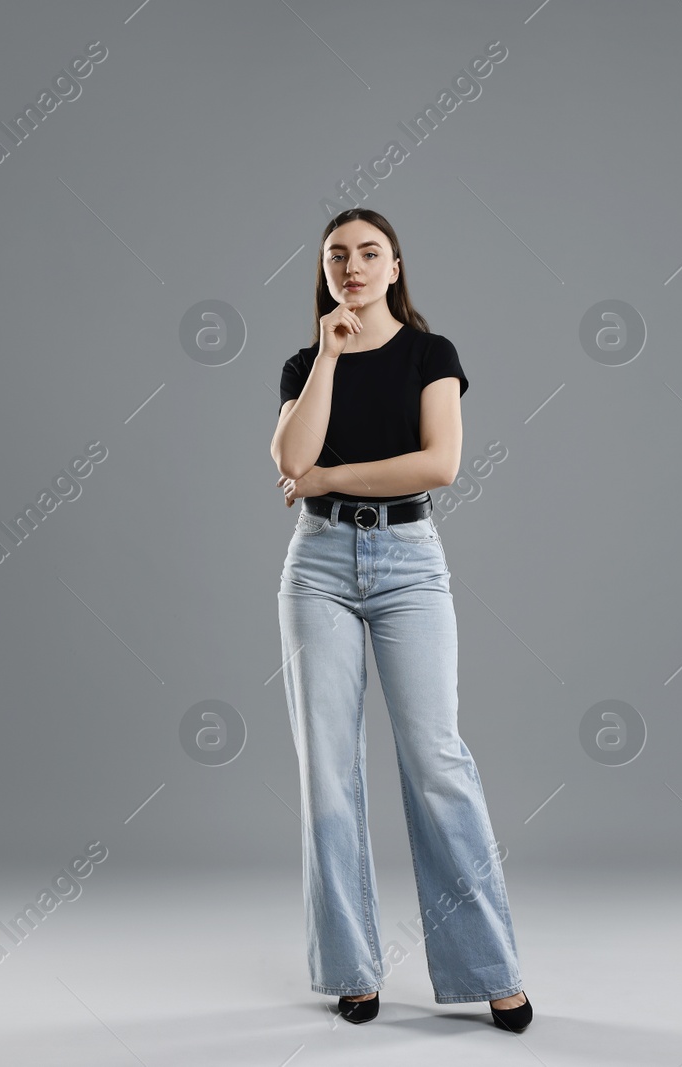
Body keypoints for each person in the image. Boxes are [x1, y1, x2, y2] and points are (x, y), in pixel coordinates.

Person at [269, 208, 532, 1033]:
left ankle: (490, 967)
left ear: (394, 267)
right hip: (317, 568)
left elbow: (440, 462)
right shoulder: (305, 362)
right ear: (325, 272)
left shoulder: (431, 354)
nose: (353, 265)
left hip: (409, 563)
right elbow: (289, 457)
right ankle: (353, 969)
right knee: (328, 773)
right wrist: (331, 360)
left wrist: (324, 480)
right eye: (337, 255)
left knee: (437, 758)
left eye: (368, 253)